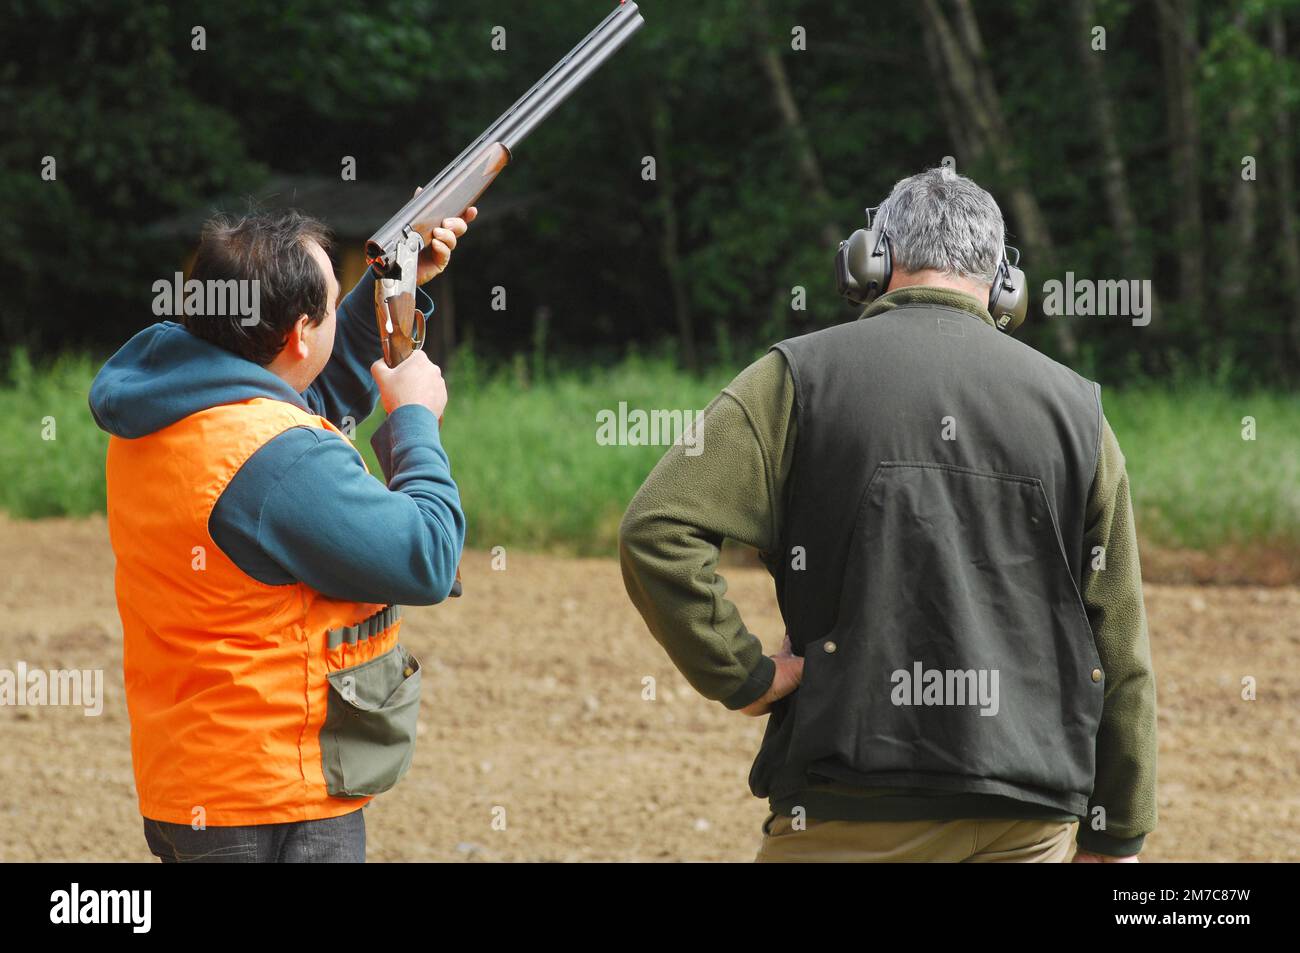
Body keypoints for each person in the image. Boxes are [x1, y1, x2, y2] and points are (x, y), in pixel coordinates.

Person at [619, 167, 1157, 862]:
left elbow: (657, 527)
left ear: (870, 261)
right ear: (1003, 285)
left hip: (849, 805)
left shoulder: (794, 378)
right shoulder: (1078, 414)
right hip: (1029, 819)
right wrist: (1119, 833)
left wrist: (745, 673)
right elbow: (1120, 641)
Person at [89, 203, 475, 862]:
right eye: (329, 305)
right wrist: (414, 418)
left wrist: (394, 287)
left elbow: (291, 396)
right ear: (299, 333)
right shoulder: (276, 459)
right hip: (276, 805)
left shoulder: (169, 412)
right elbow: (427, 555)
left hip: (195, 787)